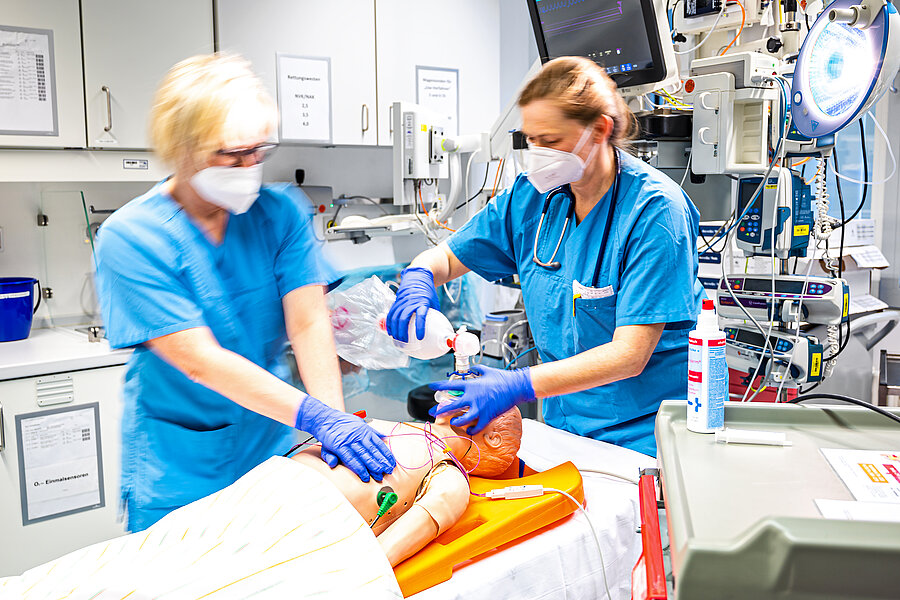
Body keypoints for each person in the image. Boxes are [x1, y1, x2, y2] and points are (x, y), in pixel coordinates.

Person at [95, 53, 394, 532]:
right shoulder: (131, 238)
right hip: (181, 464)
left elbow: (307, 321)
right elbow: (199, 359)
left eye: (259, 152)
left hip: (268, 444)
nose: (250, 167)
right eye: (232, 155)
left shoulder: (280, 214)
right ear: (183, 149)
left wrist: (334, 422)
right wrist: (316, 417)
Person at [386, 56, 705, 457]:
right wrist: (418, 278)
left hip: (646, 436)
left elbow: (630, 354)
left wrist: (517, 384)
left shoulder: (655, 211)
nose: (538, 153)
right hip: (564, 427)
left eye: (551, 141)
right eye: (531, 140)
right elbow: (449, 257)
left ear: (600, 129)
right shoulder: (531, 197)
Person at [291, 407, 522, 566]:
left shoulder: (451, 480)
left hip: (306, 523)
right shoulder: (401, 425)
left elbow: (378, 559)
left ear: (493, 438)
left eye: (485, 397)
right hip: (280, 475)